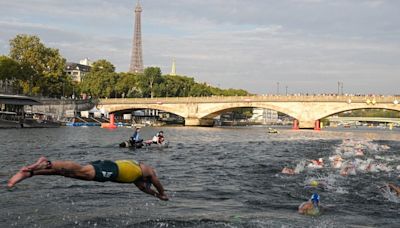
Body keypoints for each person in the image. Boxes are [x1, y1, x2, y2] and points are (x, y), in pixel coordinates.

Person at [7, 157, 169, 201]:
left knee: (69, 173)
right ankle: (46, 162)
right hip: (111, 169)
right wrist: (162, 193)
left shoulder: (138, 180)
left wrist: (157, 196)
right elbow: (155, 181)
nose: (146, 183)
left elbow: (147, 190)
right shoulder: (146, 169)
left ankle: (31, 174)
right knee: (80, 170)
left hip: (109, 171)